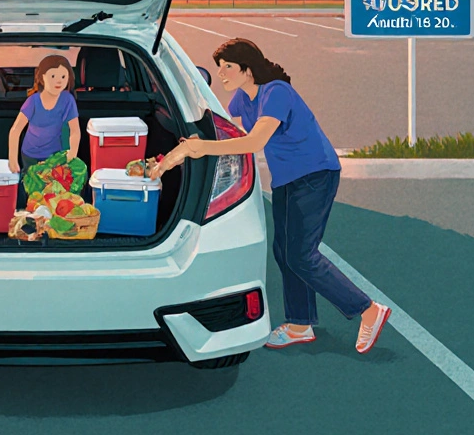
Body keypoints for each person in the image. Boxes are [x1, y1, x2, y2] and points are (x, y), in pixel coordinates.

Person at [150, 38, 392, 354]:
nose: (222, 74)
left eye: (228, 68)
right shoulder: (241, 100)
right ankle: (299, 325)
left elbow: (254, 142)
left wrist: (201, 149)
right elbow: (214, 119)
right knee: (284, 251)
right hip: (288, 179)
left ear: (247, 70)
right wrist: (180, 143)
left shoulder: (276, 93)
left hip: (315, 175)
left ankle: (367, 309)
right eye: (219, 68)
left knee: (301, 255)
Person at [8, 54, 81, 179]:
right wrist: (12, 159)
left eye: (63, 77)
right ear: (42, 77)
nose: (59, 81)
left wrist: (72, 154)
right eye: (53, 76)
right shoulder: (33, 101)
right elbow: (16, 130)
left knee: (52, 188)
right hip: (30, 154)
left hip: (55, 156)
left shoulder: (67, 100)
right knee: (32, 185)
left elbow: (75, 130)